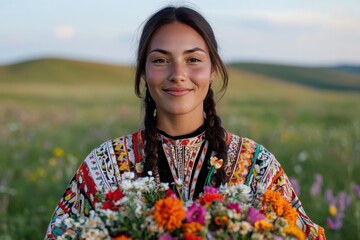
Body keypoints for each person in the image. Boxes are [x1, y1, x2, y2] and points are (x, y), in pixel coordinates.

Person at [45, 6, 326, 239]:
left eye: (193, 59)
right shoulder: (102, 167)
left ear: (213, 69)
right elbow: (59, 234)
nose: (178, 74)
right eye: (160, 60)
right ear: (143, 71)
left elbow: (306, 235)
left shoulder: (257, 166)